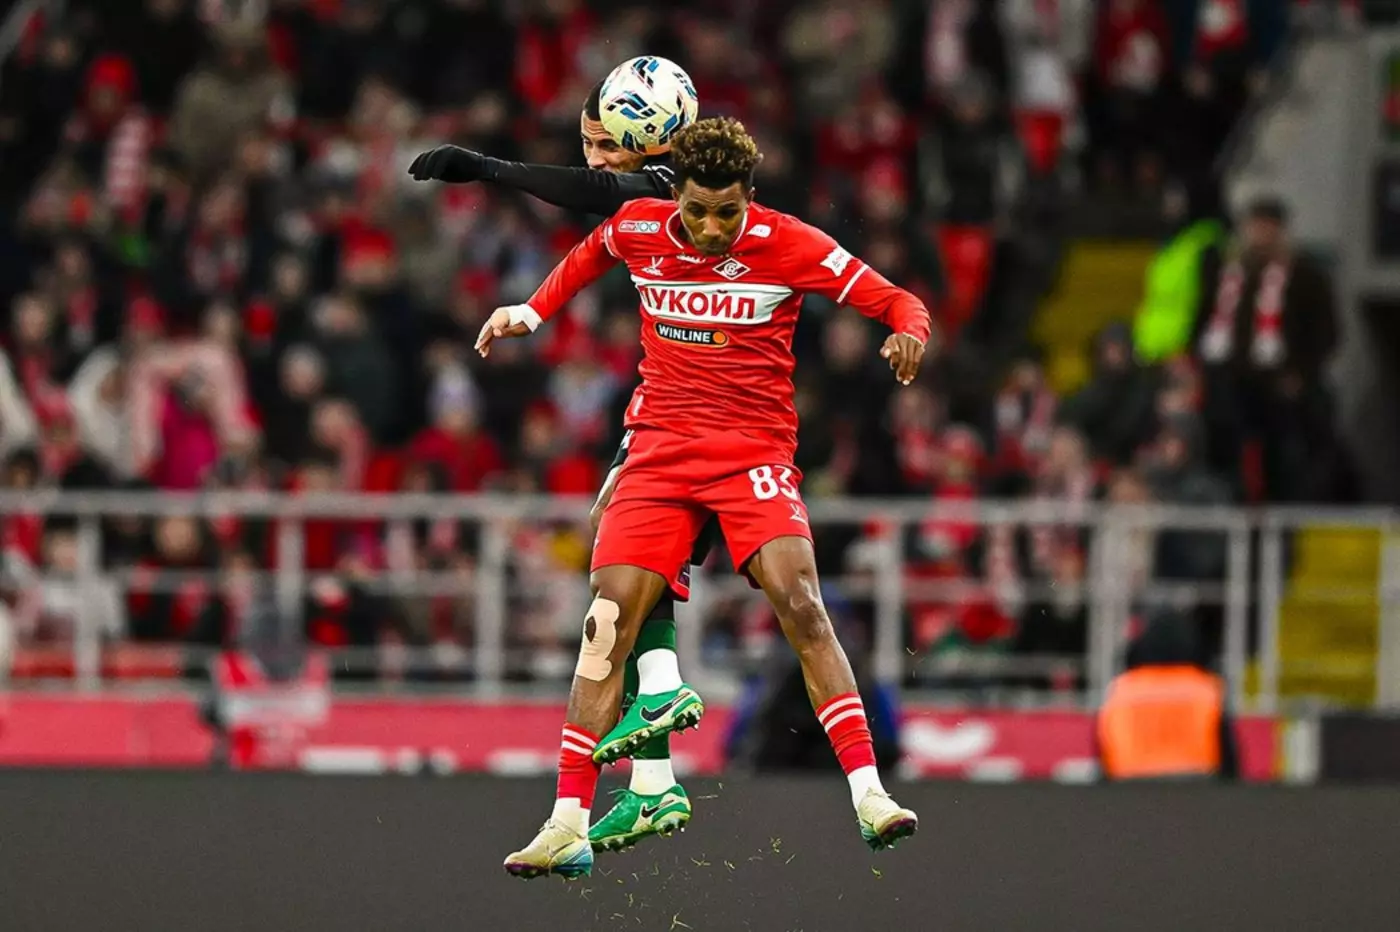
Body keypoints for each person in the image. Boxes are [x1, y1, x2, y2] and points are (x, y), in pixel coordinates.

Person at [478, 117, 931, 879]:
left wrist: (908, 332)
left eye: (728, 212)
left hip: (752, 454)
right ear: (676, 198)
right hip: (659, 450)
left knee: (801, 601)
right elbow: (589, 253)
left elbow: (898, 300)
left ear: (750, 198)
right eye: (697, 211)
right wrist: (529, 312)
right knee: (607, 621)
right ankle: (566, 822)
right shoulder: (640, 225)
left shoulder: (790, 242)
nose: (713, 228)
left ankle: (870, 794)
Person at [409, 80, 716, 854]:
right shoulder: (658, 206)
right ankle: (650, 781)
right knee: (626, 582)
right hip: (679, 411)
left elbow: (596, 194)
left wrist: (489, 167)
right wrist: (532, 309)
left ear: (649, 136)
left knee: (618, 589)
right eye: (588, 141)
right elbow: (594, 236)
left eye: (605, 141)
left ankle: (600, 788)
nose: (593, 158)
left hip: (707, 423)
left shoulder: (685, 186)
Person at [1095, 611, 1240, 781]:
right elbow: (1229, 761)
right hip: (1197, 787)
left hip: (1129, 787)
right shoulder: (1207, 690)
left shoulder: (1121, 691)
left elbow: (1103, 751)